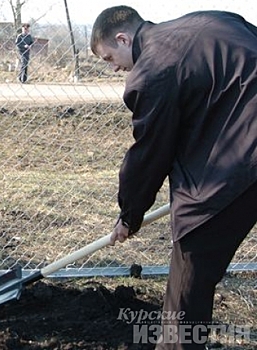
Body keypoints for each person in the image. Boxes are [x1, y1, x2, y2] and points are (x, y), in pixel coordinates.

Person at [91, 6, 257, 349]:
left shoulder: (151, 71)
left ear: (123, 38)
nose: (114, 68)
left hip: (246, 154)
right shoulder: (209, 20)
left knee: (190, 264)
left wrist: (129, 214)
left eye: (110, 57)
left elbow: (151, 152)